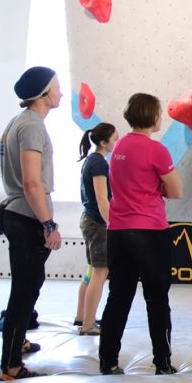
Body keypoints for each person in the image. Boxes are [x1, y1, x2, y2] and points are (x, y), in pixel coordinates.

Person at [99, 94, 183, 376]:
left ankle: (108, 361)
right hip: (149, 230)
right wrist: (156, 187)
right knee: (157, 298)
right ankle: (162, 361)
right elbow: (176, 191)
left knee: (118, 297)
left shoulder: (118, 146)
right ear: (152, 116)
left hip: (118, 230)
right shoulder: (156, 150)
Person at [0, 67, 64, 380]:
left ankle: (19, 340)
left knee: (31, 284)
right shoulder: (32, 125)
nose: (61, 93)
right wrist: (48, 223)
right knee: (24, 290)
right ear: (44, 94)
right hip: (27, 217)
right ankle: (11, 365)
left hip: (21, 214)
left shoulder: (18, 122)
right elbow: (31, 182)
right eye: (57, 87)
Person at [73, 122, 117, 335]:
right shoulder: (99, 164)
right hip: (97, 223)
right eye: (114, 139)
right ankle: (88, 324)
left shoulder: (90, 160)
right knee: (100, 272)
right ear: (103, 142)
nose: (116, 143)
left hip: (89, 220)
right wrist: (112, 224)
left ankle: (82, 316)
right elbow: (102, 198)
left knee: (92, 271)